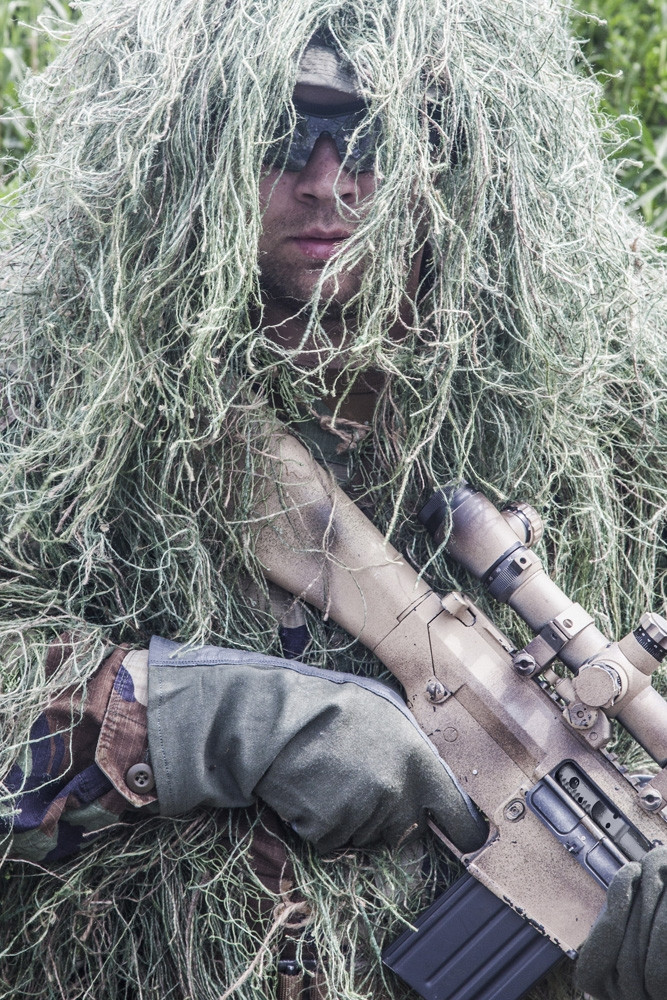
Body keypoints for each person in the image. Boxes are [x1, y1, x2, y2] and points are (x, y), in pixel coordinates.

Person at [0, 1, 666, 999]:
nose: (326, 182)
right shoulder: (61, 393)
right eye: (280, 137)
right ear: (189, 154)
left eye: (367, 140)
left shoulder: (585, 408)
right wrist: (223, 719)